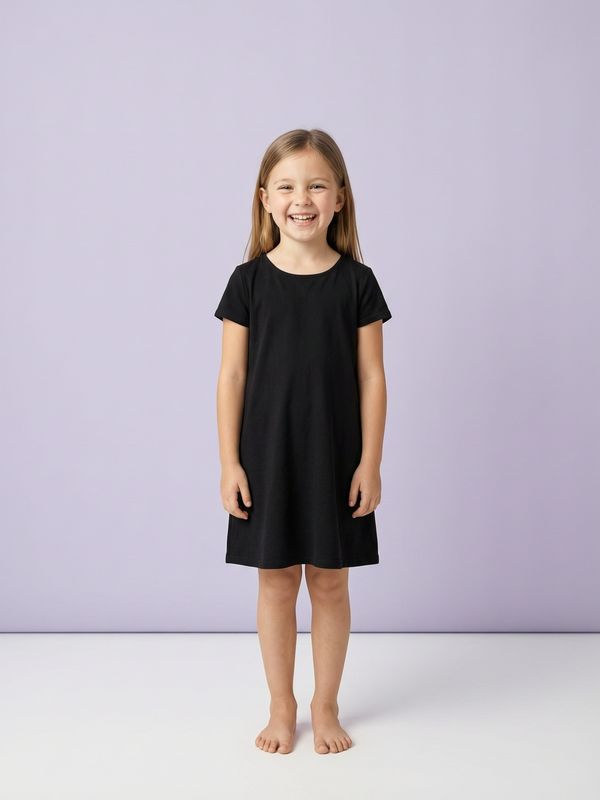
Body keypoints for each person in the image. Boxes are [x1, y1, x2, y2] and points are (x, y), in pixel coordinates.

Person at [214, 128, 392, 755]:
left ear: (339, 197)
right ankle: (282, 705)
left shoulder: (358, 284)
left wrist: (370, 462)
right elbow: (232, 376)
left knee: (331, 583)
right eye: (287, 187)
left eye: (317, 185)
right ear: (265, 199)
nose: (302, 199)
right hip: (267, 457)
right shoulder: (247, 283)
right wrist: (230, 462)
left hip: (334, 457)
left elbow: (372, 377)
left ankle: (326, 703)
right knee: (275, 582)